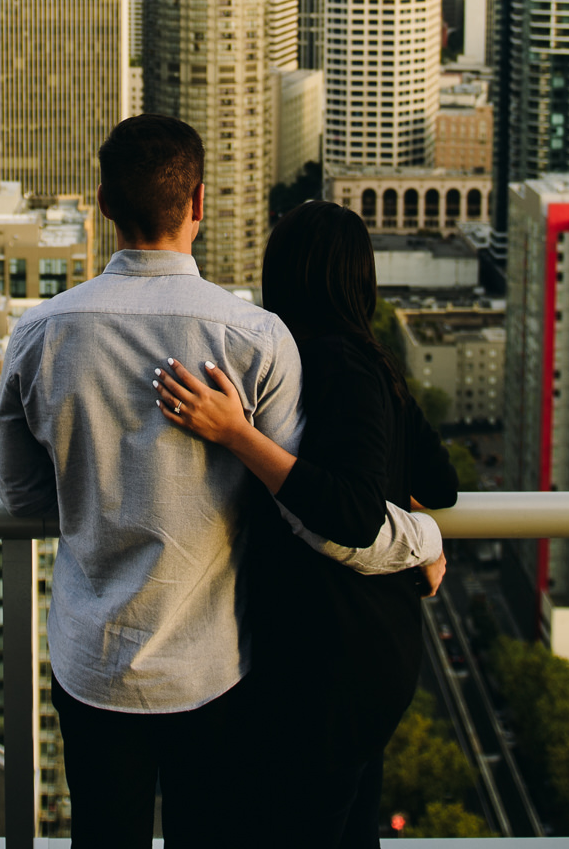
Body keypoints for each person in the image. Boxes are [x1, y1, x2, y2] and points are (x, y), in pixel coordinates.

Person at [0, 117, 442, 847]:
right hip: (211, 672)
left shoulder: (39, 335)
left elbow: (22, 499)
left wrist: (100, 495)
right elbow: (310, 510)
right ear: (200, 202)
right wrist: (419, 536)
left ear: (103, 203)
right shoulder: (257, 340)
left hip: (93, 666)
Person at [153, 200, 459, 848]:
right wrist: (421, 536)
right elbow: (440, 483)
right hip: (380, 650)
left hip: (326, 662)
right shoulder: (378, 365)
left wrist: (236, 434)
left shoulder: (321, 367)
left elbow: (349, 513)